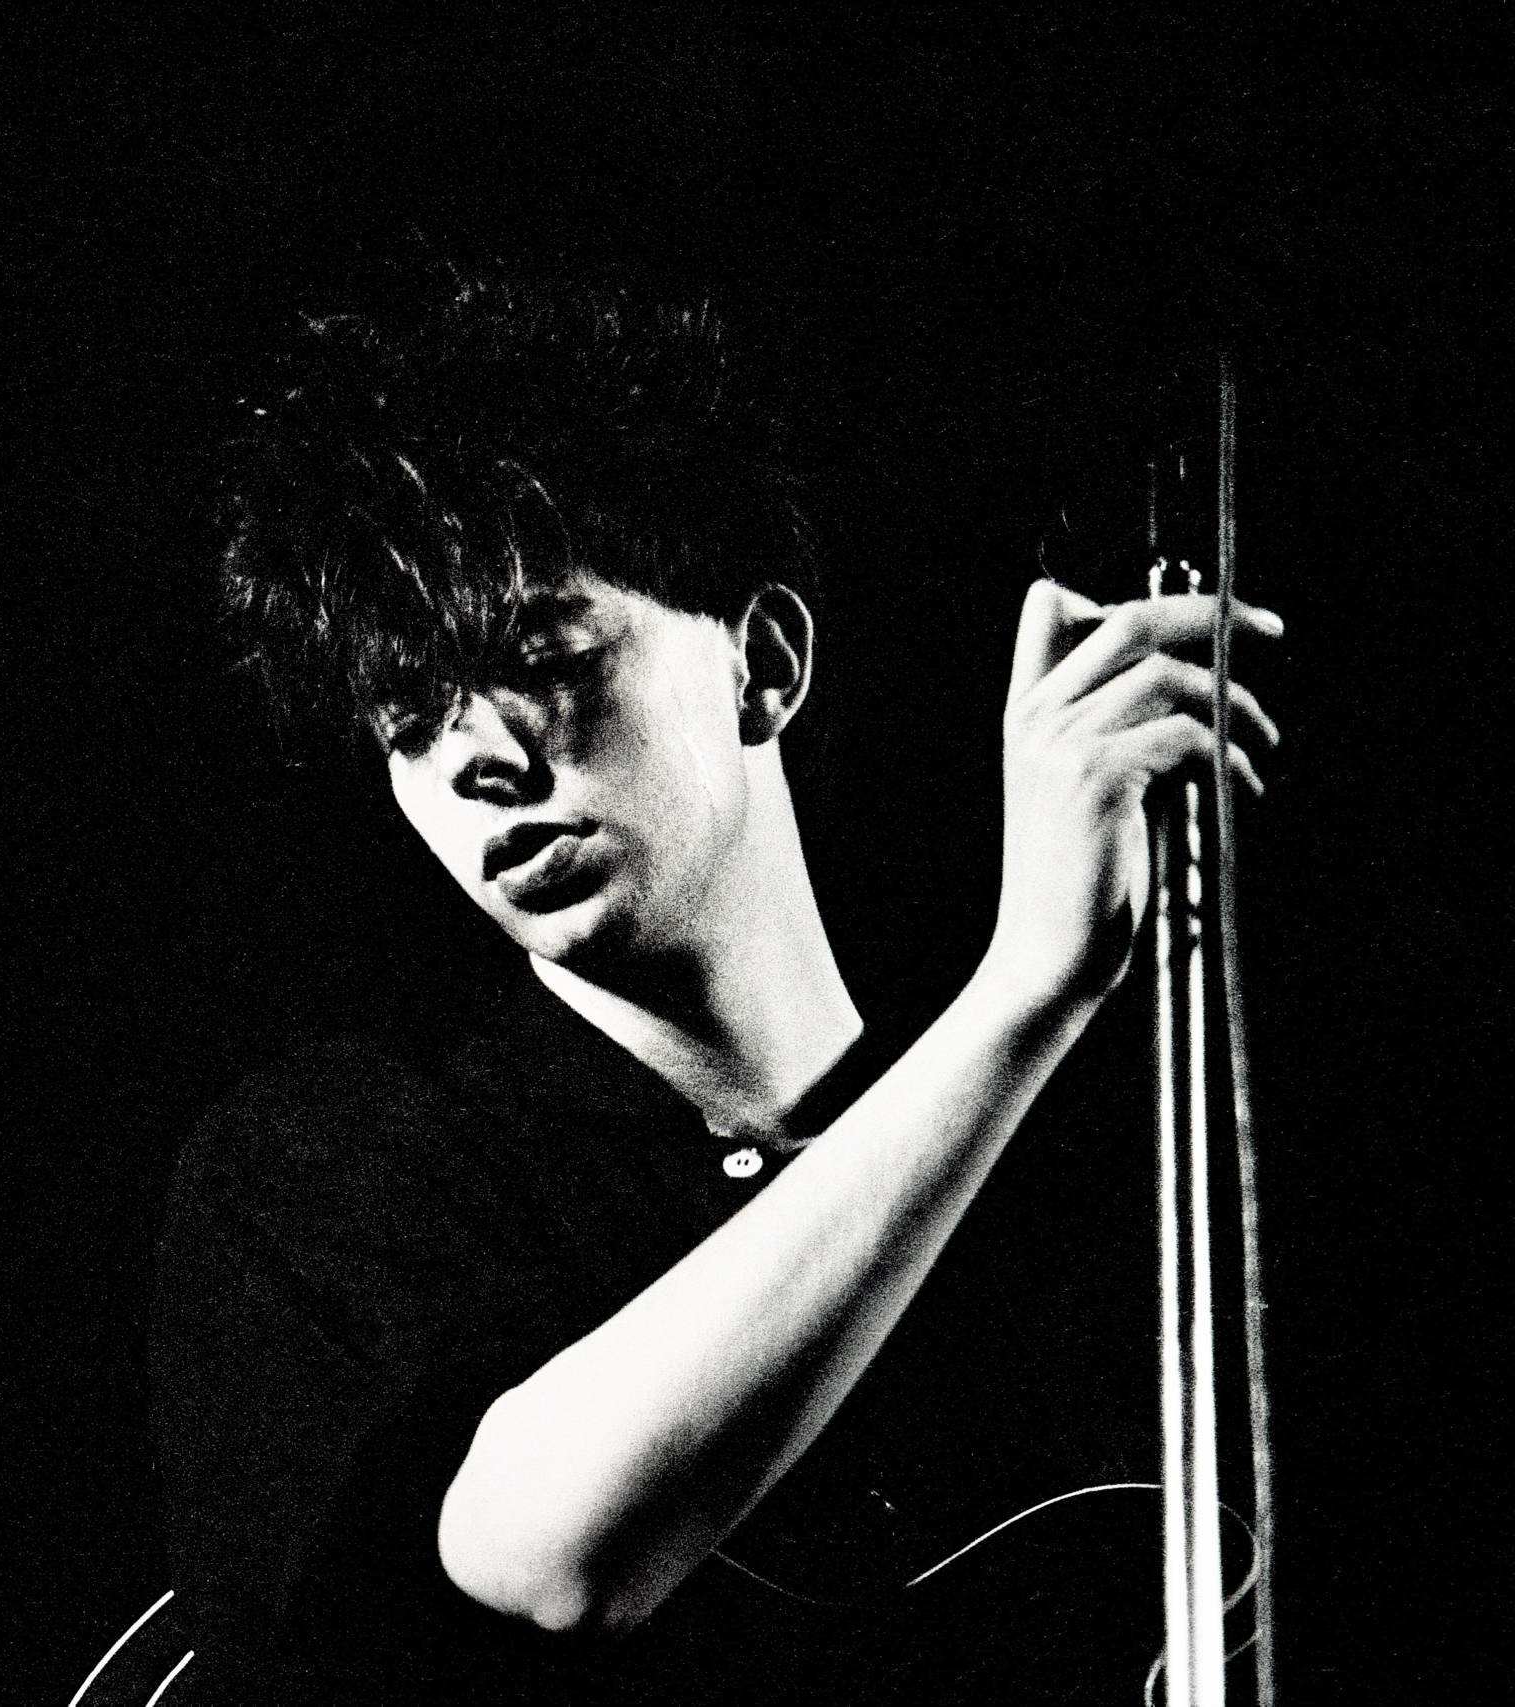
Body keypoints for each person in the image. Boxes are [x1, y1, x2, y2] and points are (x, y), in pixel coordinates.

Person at [147, 273, 1281, 1704]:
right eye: (410, 717)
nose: (476, 762)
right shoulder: (341, 1172)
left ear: (764, 662)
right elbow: (549, 1557)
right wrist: (1025, 992)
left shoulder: (1092, 1201)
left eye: (543, 658)